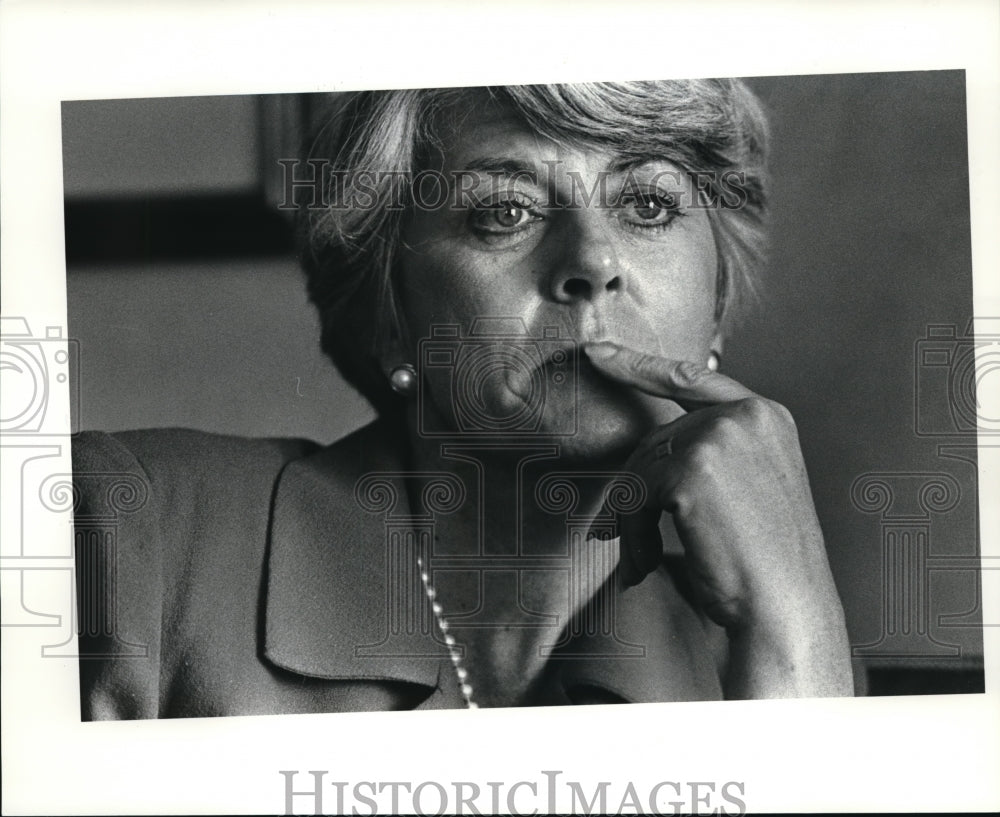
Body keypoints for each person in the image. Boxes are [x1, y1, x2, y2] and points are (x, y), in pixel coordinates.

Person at [73, 80, 853, 719]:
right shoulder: (125, 532)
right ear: (388, 313)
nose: (594, 259)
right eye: (504, 212)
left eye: (647, 204)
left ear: (716, 303)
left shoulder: (758, 640)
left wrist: (797, 642)